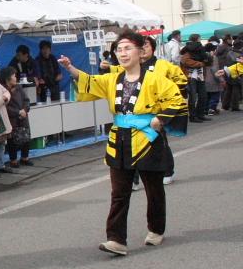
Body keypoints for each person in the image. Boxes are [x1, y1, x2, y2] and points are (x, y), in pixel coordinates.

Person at [58, 31, 187, 256]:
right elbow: (90, 82)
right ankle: (116, 239)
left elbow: (176, 99)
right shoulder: (112, 78)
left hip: (148, 139)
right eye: (119, 49)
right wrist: (71, 69)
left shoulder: (156, 78)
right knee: (119, 193)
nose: (123, 53)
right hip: (119, 139)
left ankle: (156, 229)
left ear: (140, 51)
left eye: (127, 48)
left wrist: (161, 118)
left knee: (154, 190)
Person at [101, 35, 187, 185]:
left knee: (159, 146)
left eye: (147, 46)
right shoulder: (127, 67)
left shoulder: (163, 65)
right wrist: (105, 67)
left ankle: (167, 171)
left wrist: (167, 100)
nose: (144, 49)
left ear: (152, 48)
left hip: (154, 116)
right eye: (142, 46)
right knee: (128, 148)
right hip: (131, 117)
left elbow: (181, 81)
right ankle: (133, 179)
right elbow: (114, 72)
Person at [0, 67, 32, 168]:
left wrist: (25, 110)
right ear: (7, 78)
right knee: (12, 140)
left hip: (23, 117)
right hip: (12, 119)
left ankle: (25, 158)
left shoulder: (19, 87)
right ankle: (13, 160)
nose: (15, 77)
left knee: (26, 138)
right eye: (14, 76)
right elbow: (5, 107)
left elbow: (26, 100)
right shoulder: (3, 90)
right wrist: (17, 112)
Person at [180, 34, 210, 122]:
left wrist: (204, 62)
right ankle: (193, 116)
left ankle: (200, 114)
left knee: (202, 96)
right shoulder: (188, 51)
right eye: (200, 39)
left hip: (200, 76)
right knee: (193, 98)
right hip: (191, 76)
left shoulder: (199, 51)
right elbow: (185, 61)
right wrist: (201, 63)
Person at [203, 43, 223, 116]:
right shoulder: (214, 58)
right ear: (212, 50)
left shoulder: (203, 57)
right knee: (215, 95)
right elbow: (215, 70)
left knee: (207, 95)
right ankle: (211, 109)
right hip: (213, 79)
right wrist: (221, 79)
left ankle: (206, 109)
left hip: (204, 79)